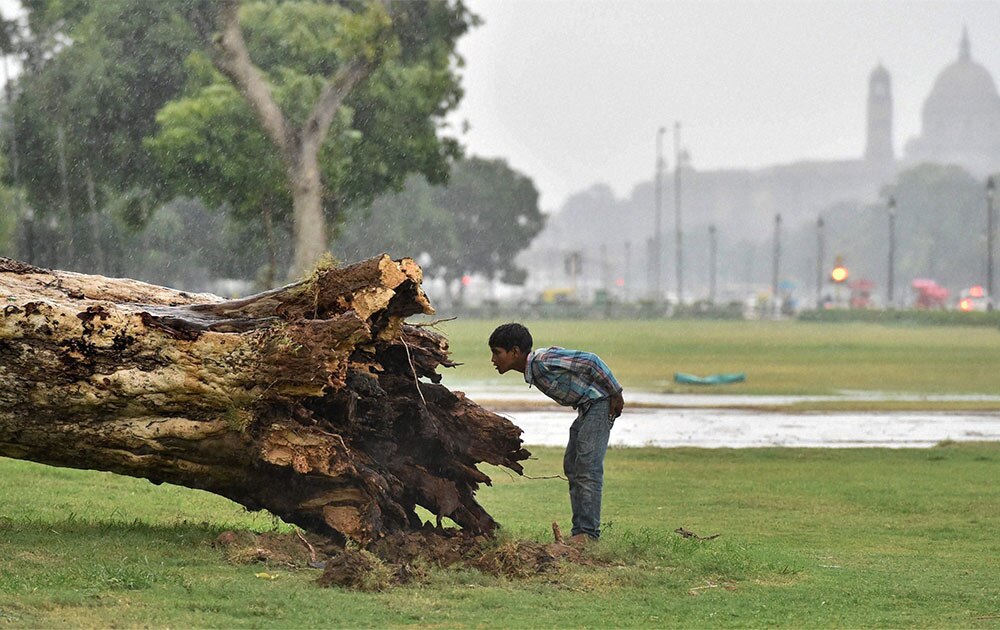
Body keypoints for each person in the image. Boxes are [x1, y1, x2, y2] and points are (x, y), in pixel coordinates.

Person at [488, 322, 624, 541]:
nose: (493, 360)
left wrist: (616, 392)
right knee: (573, 464)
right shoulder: (534, 369)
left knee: (588, 468)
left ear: (515, 352)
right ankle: (580, 531)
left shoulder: (542, 361)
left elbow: (590, 361)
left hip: (599, 403)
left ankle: (587, 534)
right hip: (586, 408)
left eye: (497, 353)